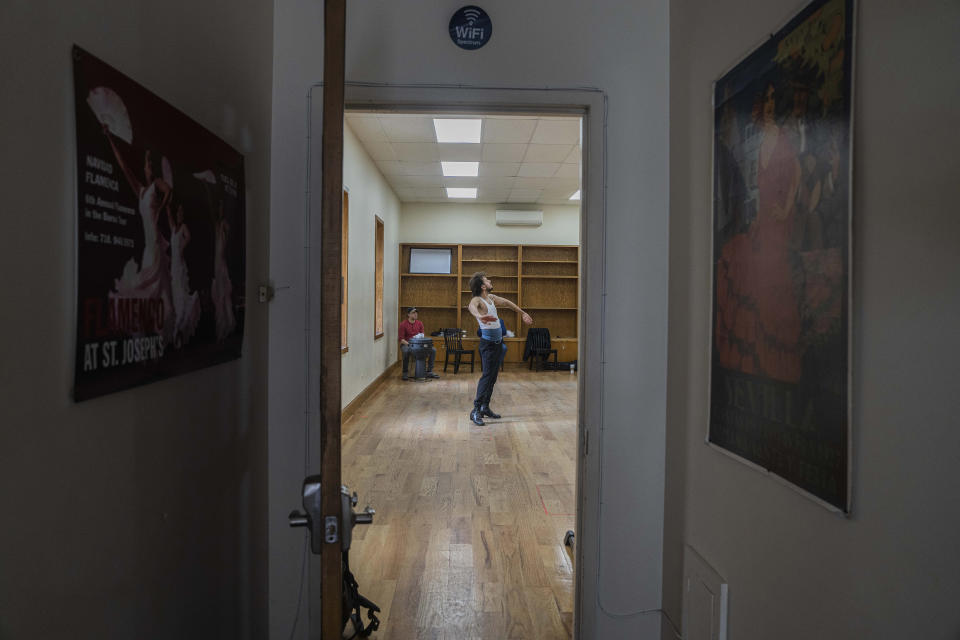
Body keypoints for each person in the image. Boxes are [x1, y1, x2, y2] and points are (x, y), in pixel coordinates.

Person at [466, 272, 533, 426]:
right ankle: (475, 410)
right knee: (487, 376)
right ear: (483, 286)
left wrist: (522, 313)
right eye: (486, 280)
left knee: (493, 377)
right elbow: (472, 307)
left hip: (498, 344)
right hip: (488, 345)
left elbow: (508, 303)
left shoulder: (492, 298)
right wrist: (480, 317)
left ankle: (485, 407)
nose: (490, 281)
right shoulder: (478, 300)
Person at [398, 307, 439, 380]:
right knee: (406, 351)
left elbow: (422, 335)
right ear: (408, 314)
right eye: (413, 313)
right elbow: (401, 339)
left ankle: (429, 371)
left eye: (416, 312)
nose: (416, 314)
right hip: (407, 344)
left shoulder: (419, 323)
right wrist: (409, 344)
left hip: (419, 344)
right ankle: (405, 372)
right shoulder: (403, 324)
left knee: (433, 350)